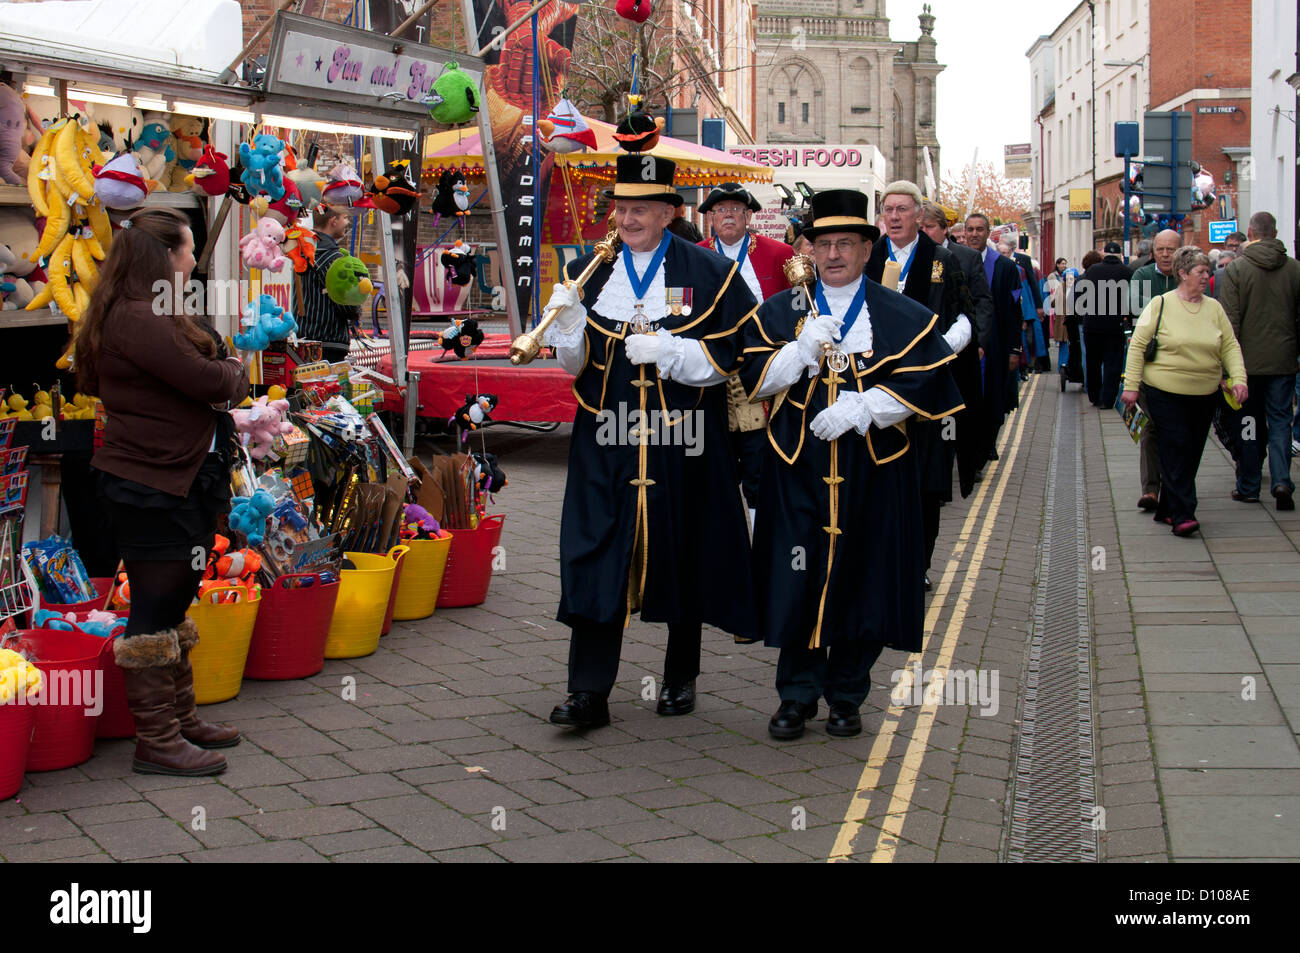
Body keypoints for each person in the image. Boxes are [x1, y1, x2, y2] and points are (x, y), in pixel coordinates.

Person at [540, 152, 758, 728]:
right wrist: (567, 327)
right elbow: (573, 365)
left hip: (683, 438)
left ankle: (680, 676)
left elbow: (739, 353)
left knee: (684, 545)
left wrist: (678, 354)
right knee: (594, 551)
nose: (627, 219)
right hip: (605, 439)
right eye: (620, 207)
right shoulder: (591, 269)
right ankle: (589, 693)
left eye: (641, 208)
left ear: (668, 211)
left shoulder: (711, 272)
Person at [739, 188, 963, 739]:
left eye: (846, 243)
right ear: (809, 250)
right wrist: (799, 352)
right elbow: (755, 381)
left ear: (868, 249)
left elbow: (927, 380)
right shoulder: (782, 309)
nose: (834, 254)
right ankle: (795, 696)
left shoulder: (901, 312)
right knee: (797, 579)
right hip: (797, 469)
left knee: (865, 578)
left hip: (876, 469)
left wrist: (865, 407)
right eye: (823, 244)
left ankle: (847, 694)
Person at [74, 208, 248, 776]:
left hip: (171, 474)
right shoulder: (138, 317)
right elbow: (210, 378)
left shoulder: (147, 310)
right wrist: (230, 368)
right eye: (186, 251)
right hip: (148, 481)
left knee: (174, 597)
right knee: (153, 603)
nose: (193, 261)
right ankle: (157, 740)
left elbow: (208, 368)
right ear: (161, 258)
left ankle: (180, 718)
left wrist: (221, 364)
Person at [868, 182, 981, 590]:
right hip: (876, 386)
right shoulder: (869, 256)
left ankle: (918, 566)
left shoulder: (942, 261)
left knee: (925, 484)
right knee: (876, 479)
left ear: (919, 215)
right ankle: (878, 564)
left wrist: (939, 351)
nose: (894, 217)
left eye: (902, 209)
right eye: (888, 210)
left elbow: (965, 317)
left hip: (927, 390)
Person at [1121, 247, 1248, 537]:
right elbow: (1138, 346)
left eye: (1207, 271)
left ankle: (1167, 507)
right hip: (1164, 391)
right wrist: (1131, 386)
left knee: (1192, 451)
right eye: (1201, 272)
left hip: (1205, 393)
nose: (1207, 276)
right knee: (1176, 446)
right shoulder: (1161, 304)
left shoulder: (1214, 308)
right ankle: (1183, 514)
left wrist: (1238, 378)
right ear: (1182, 274)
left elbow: (1229, 345)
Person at [697, 181, 795, 523]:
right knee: (715, 465)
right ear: (710, 216)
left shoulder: (779, 254)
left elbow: (794, 310)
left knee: (758, 465)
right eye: (720, 210)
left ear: (748, 215)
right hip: (710, 373)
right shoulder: (694, 254)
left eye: (735, 210)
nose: (728, 216)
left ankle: (760, 543)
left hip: (760, 374)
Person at [1219, 211, 1300, 510]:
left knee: (1249, 422)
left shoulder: (1237, 270)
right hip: (1283, 361)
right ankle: (1281, 480)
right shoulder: (1294, 269)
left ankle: (1250, 485)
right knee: (1281, 421)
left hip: (1247, 364)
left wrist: (1229, 368)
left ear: (1250, 233)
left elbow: (1230, 323)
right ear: (1275, 232)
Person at [1128, 229, 1181, 511]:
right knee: (1149, 427)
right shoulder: (1143, 276)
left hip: (1183, 366)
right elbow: (1138, 312)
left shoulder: (1186, 277)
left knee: (1177, 431)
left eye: (1170, 249)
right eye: (1160, 249)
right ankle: (1150, 489)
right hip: (1150, 362)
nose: (1164, 254)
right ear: (1153, 251)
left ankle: (1175, 485)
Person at [965, 214, 1022, 464]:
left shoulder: (1005, 267)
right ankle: (971, 450)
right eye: (970, 230)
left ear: (988, 233)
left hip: (996, 345)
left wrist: (1014, 349)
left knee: (993, 399)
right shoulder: (956, 261)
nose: (974, 234)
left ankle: (987, 443)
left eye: (979, 229)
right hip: (965, 344)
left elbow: (1013, 311)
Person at [920, 202, 994, 367]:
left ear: (944, 229)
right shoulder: (917, 257)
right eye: (921, 228)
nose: (924, 232)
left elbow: (982, 301)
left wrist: (980, 341)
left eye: (929, 227)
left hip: (961, 348)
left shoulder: (968, 257)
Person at [297, 204, 361, 364]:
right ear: (333, 220)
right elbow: (346, 301)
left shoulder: (301, 250)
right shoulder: (333, 258)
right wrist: (356, 308)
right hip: (327, 340)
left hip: (302, 336)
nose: (347, 223)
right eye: (345, 218)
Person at [1076, 241, 1133, 408]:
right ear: (1120, 255)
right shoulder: (1127, 272)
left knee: (1093, 362)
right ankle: (1107, 400)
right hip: (1114, 326)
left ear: (1104, 254)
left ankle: (1094, 396)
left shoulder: (1093, 270)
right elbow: (1131, 301)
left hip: (1092, 325)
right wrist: (1128, 319)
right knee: (1112, 364)